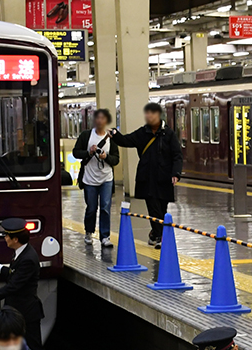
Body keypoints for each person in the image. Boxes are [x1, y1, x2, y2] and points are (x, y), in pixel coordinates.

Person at [112, 102, 183, 249]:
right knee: (153, 207)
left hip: (164, 178)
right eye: (147, 114)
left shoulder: (169, 134)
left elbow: (177, 155)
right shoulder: (142, 133)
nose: (149, 117)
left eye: (152, 114)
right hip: (147, 177)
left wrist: (176, 173)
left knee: (162, 208)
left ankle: (154, 234)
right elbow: (126, 140)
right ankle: (160, 237)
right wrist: (115, 135)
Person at [0, 218, 45, 350]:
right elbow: (14, 274)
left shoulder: (28, 259)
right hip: (18, 311)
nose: (5, 238)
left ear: (15, 239)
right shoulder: (22, 252)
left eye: (7, 235)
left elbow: (14, 285)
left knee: (33, 348)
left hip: (26, 312)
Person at [73, 108, 119, 248]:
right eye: (97, 118)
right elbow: (76, 152)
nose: (100, 121)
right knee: (91, 207)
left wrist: (106, 157)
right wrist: (89, 152)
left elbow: (116, 159)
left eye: (103, 119)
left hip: (106, 178)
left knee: (105, 207)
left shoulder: (111, 139)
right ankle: (89, 232)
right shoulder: (86, 135)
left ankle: (105, 236)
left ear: (107, 121)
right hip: (89, 178)